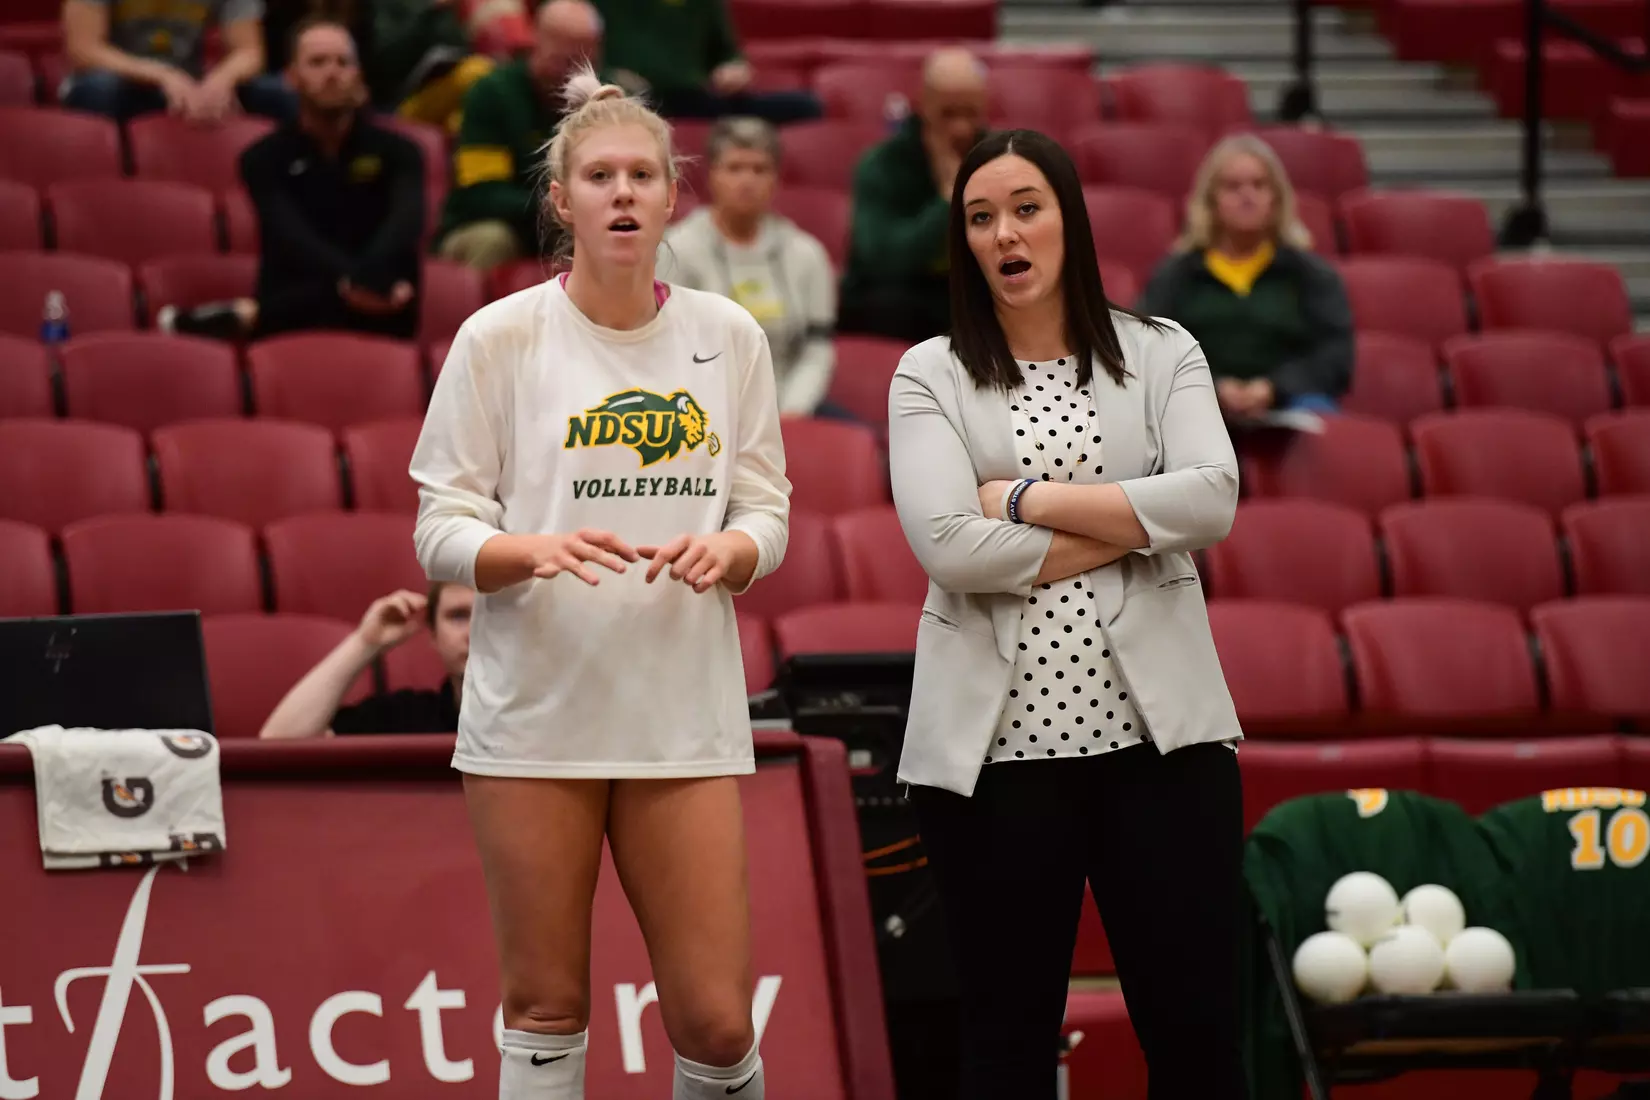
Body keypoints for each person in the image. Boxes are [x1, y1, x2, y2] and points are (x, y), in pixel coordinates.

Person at [410, 64, 790, 1100]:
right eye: (599, 175)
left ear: (675, 196)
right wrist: (523, 550)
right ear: (560, 198)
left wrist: (738, 551)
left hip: (682, 712)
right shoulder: (501, 337)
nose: (622, 193)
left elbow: (768, 509)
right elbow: (438, 524)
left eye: (642, 176)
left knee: (716, 1019)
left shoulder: (729, 335)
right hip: (535, 715)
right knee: (544, 1006)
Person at [887, 128, 1246, 1099]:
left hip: (1163, 747)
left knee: (1200, 1036)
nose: (1004, 231)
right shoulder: (930, 372)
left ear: (1068, 220)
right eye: (980, 216)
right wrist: (1139, 522)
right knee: (1005, 1042)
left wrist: (1023, 497)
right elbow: (949, 549)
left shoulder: (1161, 351)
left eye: (1026, 207)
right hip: (995, 759)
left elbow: (1212, 499)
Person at [158, 17, 426, 342]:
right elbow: (291, 237)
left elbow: (406, 222)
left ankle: (243, 316)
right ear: (290, 77)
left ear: (358, 75)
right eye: (317, 62)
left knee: (400, 268)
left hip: (384, 304)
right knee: (306, 279)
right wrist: (353, 281)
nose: (332, 73)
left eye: (343, 62)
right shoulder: (262, 158)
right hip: (302, 306)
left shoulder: (401, 152)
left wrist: (370, 278)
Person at [1138, 134, 1354, 419]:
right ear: (1211, 200)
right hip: (1194, 404)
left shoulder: (1311, 275)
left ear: (1275, 198)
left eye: (1259, 185)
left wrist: (1273, 388)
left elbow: (1336, 356)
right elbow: (1148, 352)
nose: (1247, 196)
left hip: (1291, 405)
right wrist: (1212, 386)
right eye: (1232, 186)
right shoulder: (1175, 275)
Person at [658, 116, 838, 417]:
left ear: (776, 179)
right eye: (734, 168)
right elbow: (666, 348)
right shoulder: (677, 250)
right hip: (702, 405)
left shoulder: (807, 254)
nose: (747, 181)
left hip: (791, 406)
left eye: (759, 169)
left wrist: (792, 411)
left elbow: (817, 349)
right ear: (713, 176)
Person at [437, 0, 602, 272]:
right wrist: (559, 205)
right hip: (491, 224)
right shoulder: (491, 93)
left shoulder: (604, 99)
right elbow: (480, 193)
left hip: (570, 227)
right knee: (492, 240)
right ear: (535, 38)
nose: (572, 71)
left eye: (583, 58)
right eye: (563, 56)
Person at [838, 47, 988, 344]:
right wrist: (947, 202)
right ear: (924, 104)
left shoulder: (998, 158)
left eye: (970, 113)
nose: (960, 127)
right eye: (948, 114)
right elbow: (879, 259)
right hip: (899, 295)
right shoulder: (881, 164)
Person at [258, 582, 472, 738]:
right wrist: (365, 643)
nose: (476, 632)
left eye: (497, 614)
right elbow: (279, 742)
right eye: (459, 616)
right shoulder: (403, 719)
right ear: (433, 633)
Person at [62, 0, 294, 122]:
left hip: (188, 85)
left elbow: (250, 52)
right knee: (99, 88)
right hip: (123, 80)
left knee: (279, 93)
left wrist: (221, 80)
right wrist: (162, 75)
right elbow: (84, 51)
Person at [591, 0, 818, 124]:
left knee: (804, 105)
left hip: (690, 98)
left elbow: (725, 53)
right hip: (623, 97)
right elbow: (566, 52)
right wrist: (609, 74)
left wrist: (734, 69)